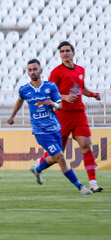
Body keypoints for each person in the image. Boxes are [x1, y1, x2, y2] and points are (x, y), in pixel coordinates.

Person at [7, 59, 92, 195]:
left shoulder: (51, 87)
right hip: (40, 132)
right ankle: (80, 187)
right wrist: (12, 116)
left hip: (55, 128)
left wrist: (52, 103)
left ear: (40, 70)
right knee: (60, 157)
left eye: (35, 69)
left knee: (54, 158)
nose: (32, 72)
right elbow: (20, 100)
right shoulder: (24, 90)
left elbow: (60, 105)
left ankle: (38, 169)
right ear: (28, 72)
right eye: (30, 70)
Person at [37, 41, 103, 192]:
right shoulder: (57, 72)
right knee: (57, 154)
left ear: (73, 53)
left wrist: (93, 94)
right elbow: (47, 92)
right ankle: (38, 168)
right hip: (62, 116)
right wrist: (64, 97)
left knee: (86, 146)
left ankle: (93, 183)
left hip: (79, 114)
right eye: (62, 51)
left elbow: (81, 88)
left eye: (67, 50)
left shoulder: (80, 70)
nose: (65, 53)